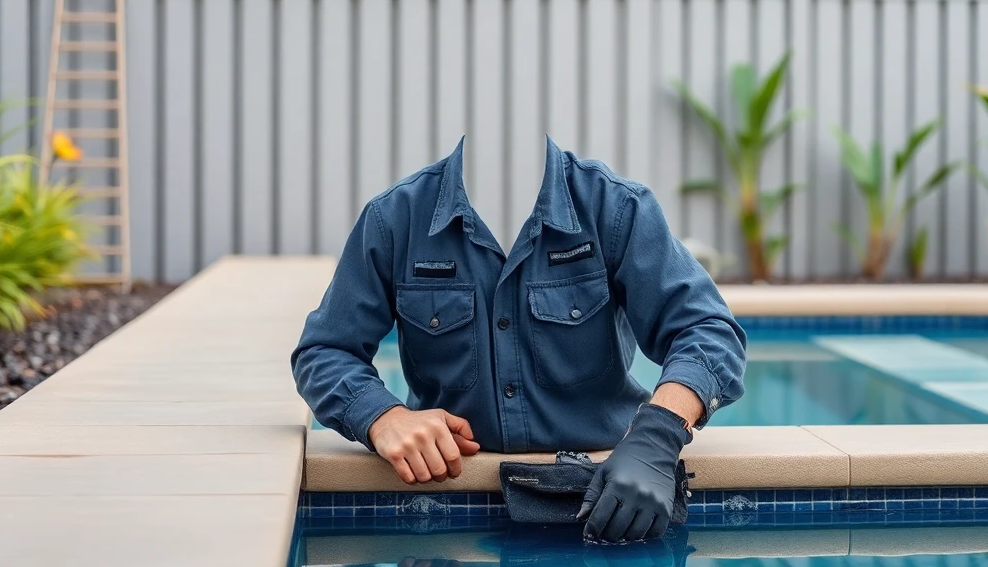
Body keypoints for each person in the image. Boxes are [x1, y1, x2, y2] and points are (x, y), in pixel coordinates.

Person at [291, 135, 747, 542]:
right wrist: (384, 417)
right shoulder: (396, 218)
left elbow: (707, 331)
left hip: (612, 506)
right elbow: (325, 350)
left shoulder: (615, 208)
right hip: (445, 516)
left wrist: (657, 436)